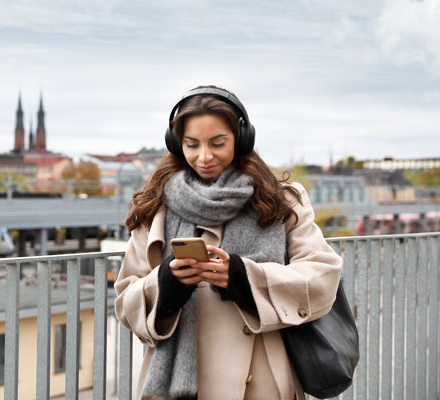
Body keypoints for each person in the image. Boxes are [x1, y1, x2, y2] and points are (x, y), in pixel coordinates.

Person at [114, 85, 342, 400]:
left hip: (261, 378)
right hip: (176, 386)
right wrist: (166, 286)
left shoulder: (282, 200)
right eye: (191, 144)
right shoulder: (156, 205)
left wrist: (243, 279)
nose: (203, 157)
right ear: (177, 145)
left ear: (242, 139)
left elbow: (322, 277)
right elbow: (126, 300)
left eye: (218, 143)